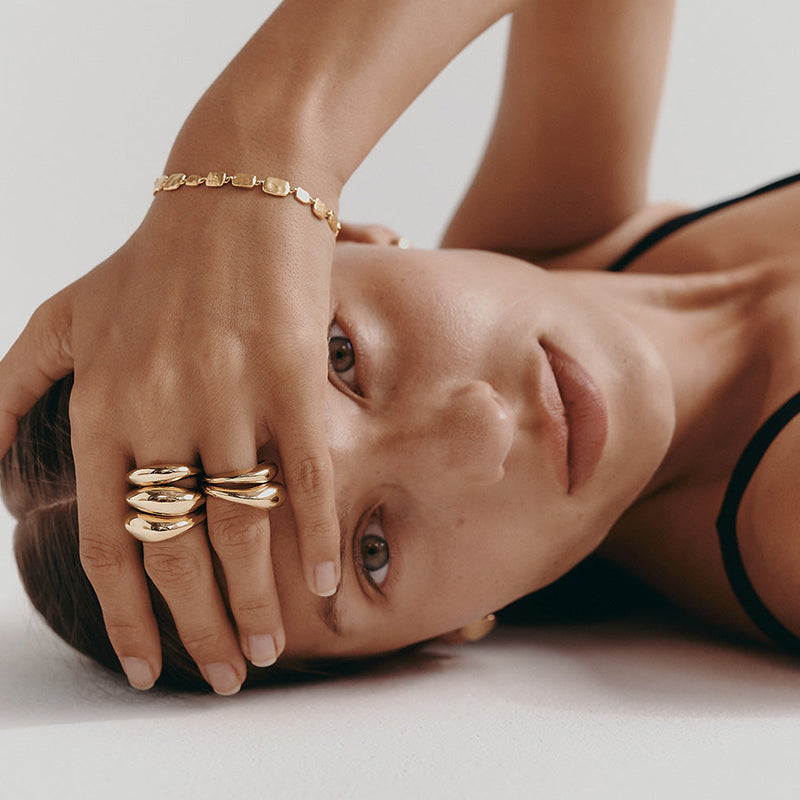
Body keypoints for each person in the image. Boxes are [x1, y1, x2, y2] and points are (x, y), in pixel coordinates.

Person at [3, 0, 800, 695]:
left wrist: (260, 148)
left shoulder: (554, 243)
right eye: (374, 552)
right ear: (443, 634)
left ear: (344, 239)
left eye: (339, 357)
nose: (483, 428)